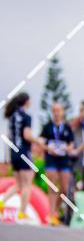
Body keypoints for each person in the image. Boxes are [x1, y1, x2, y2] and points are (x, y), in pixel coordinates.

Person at [0, 92, 44, 222]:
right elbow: (27, 135)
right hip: (24, 153)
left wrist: (7, 158)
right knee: (26, 185)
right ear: (26, 101)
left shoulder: (12, 117)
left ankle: (2, 202)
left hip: (14, 154)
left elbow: (8, 137)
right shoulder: (26, 116)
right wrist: (38, 141)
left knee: (19, 184)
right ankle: (22, 212)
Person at [40, 102, 75, 226]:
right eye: (54, 110)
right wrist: (48, 148)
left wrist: (67, 148)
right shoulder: (47, 127)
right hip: (51, 159)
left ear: (63, 111)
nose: (56, 113)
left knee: (65, 189)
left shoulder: (67, 127)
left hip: (64, 160)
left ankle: (55, 209)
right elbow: (41, 141)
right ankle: (51, 215)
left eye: (58, 110)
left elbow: (71, 144)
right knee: (52, 186)